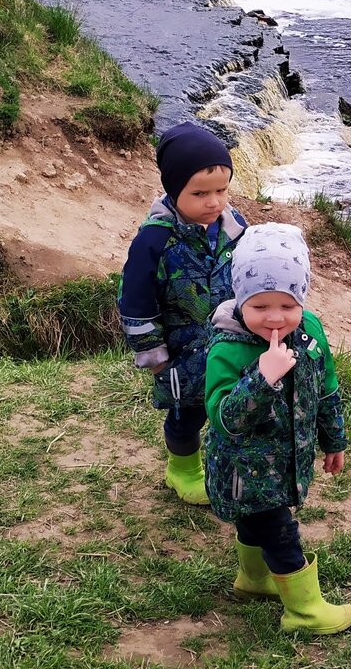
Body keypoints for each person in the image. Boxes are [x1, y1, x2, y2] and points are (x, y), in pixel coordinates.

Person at [204, 223, 351, 636]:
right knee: (279, 530)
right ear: (240, 299)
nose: (275, 318)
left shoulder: (310, 332)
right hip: (244, 467)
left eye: (288, 305)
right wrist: (261, 378)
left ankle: (253, 581)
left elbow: (326, 388)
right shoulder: (227, 347)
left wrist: (334, 439)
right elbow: (224, 418)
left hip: (287, 459)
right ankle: (305, 612)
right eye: (260, 306)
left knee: (257, 524)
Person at [119, 121, 246, 504]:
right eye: (200, 193)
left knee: (233, 408)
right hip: (181, 352)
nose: (214, 202)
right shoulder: (154, 241)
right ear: (174, 191)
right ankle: (183, 469)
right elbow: (135, 302)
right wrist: (154, 357)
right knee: (186, 414)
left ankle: (226, 467)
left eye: (222, 190)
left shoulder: (235, 227)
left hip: (229, 345)